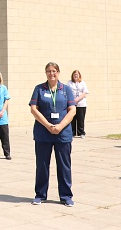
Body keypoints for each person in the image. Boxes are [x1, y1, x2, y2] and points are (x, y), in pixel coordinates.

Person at [29, 62, 76, 207]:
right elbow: (33, 109)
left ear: (58, 72)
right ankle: (40, 195)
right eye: (49, 71)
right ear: (46, 73)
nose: (51, 73)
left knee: (64, 166)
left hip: (63, 134)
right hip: (43, 133)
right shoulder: (39, 89)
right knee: (42, 165)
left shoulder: (66, 89)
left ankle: (66, 196)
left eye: (54, 71)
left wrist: (60, 126)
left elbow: (72, 110)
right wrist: (48, 126)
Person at [67, 70, 89, 138]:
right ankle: (72, 132)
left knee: (80, 118)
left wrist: (78, 99)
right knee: (72, 118)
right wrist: (72, 101)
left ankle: (81, 132)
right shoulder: (69, 83)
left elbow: (84, 92)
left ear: (79, 75)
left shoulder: (82, 83)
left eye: (77, 74)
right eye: (74, 74)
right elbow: (67, 91)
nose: (76, 76)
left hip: (81, 103)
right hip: (72, 104)